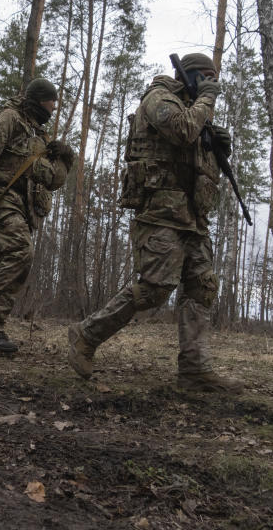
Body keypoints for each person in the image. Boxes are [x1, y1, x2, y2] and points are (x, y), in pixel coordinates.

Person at [67, 53, 243, 393]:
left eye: (214, 78)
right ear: (189, 76)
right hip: (161, 213)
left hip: (192, 218)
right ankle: (86, 334)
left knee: (202, 286)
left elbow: (195, 161)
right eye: (206, 77)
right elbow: (181, 130)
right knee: (155, 289)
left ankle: (194, 370)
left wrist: (217, 147)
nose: (212, 83)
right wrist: (207, 100)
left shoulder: (197, 112)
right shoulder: (159, 98)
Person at [0, 78, 74, 353]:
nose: (54, 108)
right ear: (39, 100)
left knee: (15, 258)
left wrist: (65, 159)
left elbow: (52, 181)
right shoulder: (9, 119)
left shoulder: (39, 136)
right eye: (51, 101)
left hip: (25, 207)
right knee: (20, 251)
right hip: (2, 198)